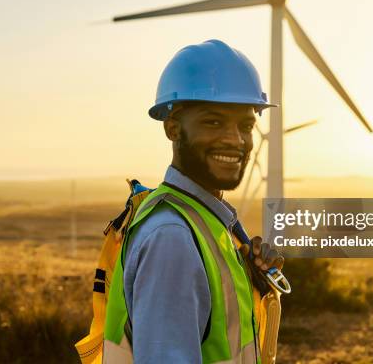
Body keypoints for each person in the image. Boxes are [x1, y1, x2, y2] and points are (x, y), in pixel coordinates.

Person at [103, 39, 285, 363]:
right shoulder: (172, 237)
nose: (235, 139)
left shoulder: (205, 222)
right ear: (172, 128)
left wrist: (252, 282)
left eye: (246, 125)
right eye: (213, 122)